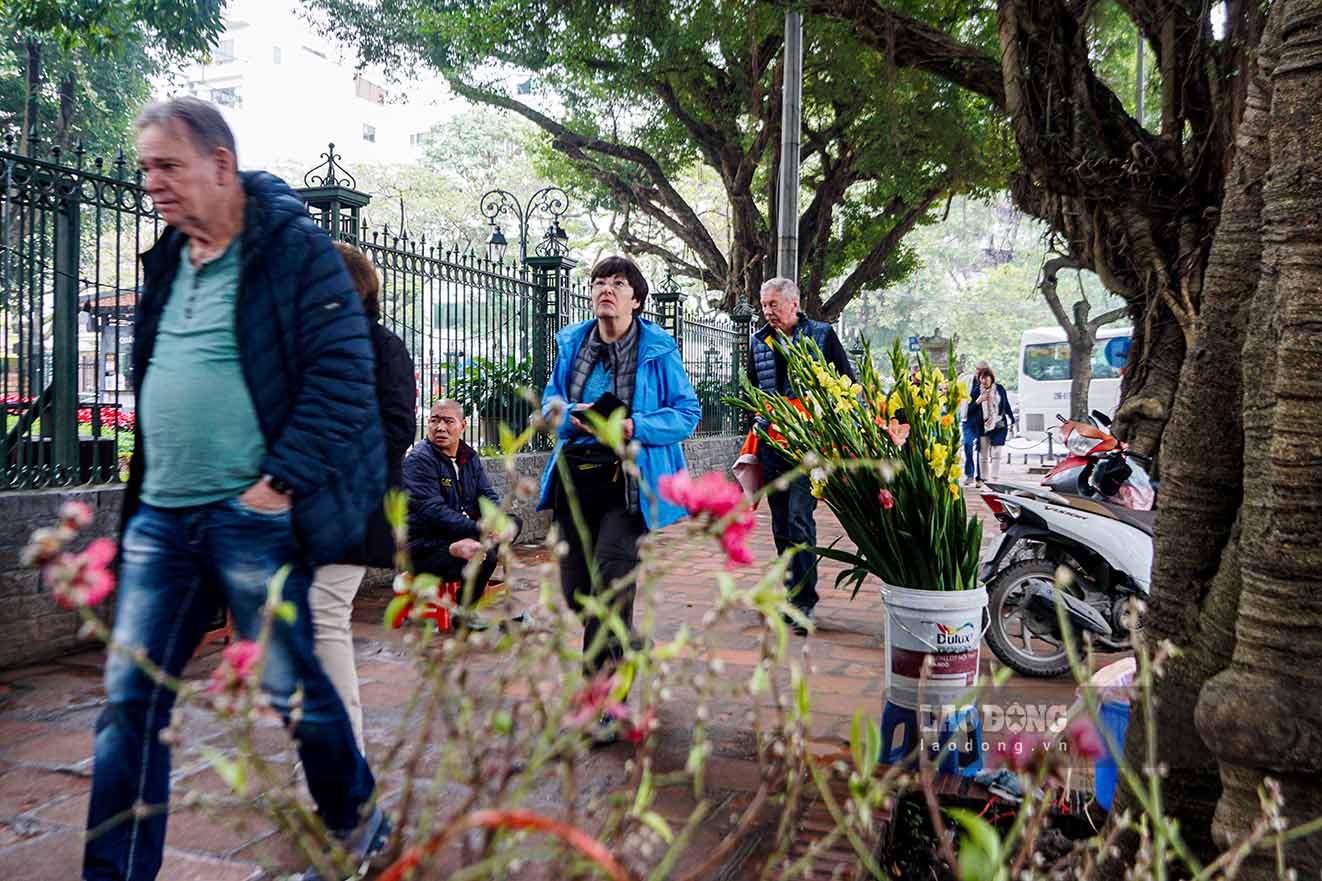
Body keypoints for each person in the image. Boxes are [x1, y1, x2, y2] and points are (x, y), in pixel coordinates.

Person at [86, 98, 387, 881]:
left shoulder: (293, 249)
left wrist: (278, 481)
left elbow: (343, 374)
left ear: (220, 165)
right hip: (162, 514)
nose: (151, 182)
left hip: (250, 514)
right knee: (129, 702)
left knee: (293, 692)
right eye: (145, 166)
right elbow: (152, 361)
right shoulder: (167, 254)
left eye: (167, 166)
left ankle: (356, 813)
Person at [537, 255, 699, 740]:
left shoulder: (658, 349)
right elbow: (551, 401)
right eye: (599, 282)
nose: (605, 289)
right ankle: (625, 640)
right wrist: (570, 416)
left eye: (617, 283)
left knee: (611, 581)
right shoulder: (572, 343)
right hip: (576, 477)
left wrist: (633, 426)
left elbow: (687, 413)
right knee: (576, 592)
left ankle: (604, 704)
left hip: (628, 481)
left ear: (636, 299)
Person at [308, 242, 416, 751]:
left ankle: (339, 759)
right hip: (297, 509)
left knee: (324, 619)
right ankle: (316, 754)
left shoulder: (384, 348)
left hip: (354, 506)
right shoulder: (300, 345)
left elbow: (397, 432)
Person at [747, 277, 856, 635]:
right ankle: (792, 595)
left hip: (810, 446)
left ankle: (804, 604)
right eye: (764, 305)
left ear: (793, 304)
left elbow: (847, 384)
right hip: (772, 446)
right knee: (781, 527)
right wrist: (758, 420)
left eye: (773, 305)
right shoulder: (757, 341)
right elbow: (752, 388)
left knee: (798, 520)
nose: (767, 312)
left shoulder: (822, 335)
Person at [402, 399, 521, 630]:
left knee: (512, 524)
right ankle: (464, 612)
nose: (440, 427)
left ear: (463, 425)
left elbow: (487, 496)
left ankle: (466, 607)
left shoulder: (469, 458)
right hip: (424, 548)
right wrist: (478, 528)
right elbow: (432, 511)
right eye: (434, 420)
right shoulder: (420, 459)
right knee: (486, 552)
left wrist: (497, 521)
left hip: (457, 535)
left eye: (448, 421)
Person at [976, 366, 1015, 483]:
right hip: (982, 425)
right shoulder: (976, 391)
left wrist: (1012, 419)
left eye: (986, 377)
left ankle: (995, 478)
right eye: (981, 378)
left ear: (991, 378)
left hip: (999, 424)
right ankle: (984, 478)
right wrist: (979, 400)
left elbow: (1006, 404)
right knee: (983, 454)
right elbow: (970, 408)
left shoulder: (1000, 389)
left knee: (996, 451)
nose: (984, 380)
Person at [961, 360, 990, 485]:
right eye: (978, 370)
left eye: (983, 371)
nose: (979, 373)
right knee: (967, 445)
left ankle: (980, 478)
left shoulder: (990, 384)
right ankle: (969, 474)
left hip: (982, 423)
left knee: (981, 450)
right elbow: (968, 406)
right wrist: (979, 400)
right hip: (968, 420)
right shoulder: (967, 381)